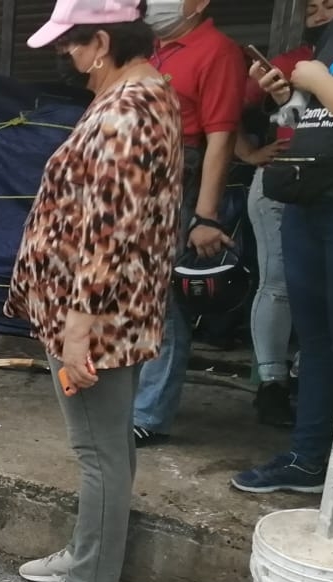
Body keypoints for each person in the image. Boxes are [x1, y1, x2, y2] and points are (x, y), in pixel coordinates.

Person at [5, 0, 182, 582]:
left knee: (99, 453)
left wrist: (79, 324)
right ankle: (89, 553)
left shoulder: (128, 110)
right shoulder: (142, 96)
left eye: (73, 47)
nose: (70, 60)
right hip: (103, 309)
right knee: (106, 449)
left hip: (97, 318)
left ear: (101, 41)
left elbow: (112, 230)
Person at [233, 3, 333, 495]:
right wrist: (288, 96)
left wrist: (320, 81)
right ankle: (310, 460)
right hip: (309, 203)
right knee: (317, 341)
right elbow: (309, 122)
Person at [130, 0, 246, 447]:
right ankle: (132, 399)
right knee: (137, 295)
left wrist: (205, 214)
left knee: (163, 302)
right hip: (141, 177)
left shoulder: (216, 50)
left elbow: (222, 135)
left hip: (181, 171)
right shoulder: (154, 48)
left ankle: (150, 414)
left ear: (197, 3)